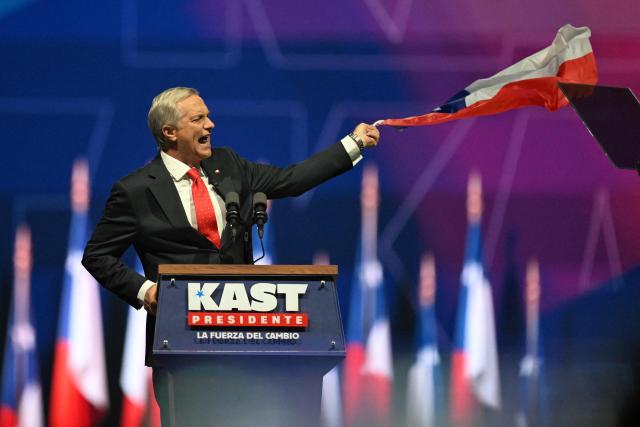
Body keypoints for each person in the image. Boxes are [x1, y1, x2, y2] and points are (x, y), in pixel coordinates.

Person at [81, 86, 380, 422]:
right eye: (198, 119)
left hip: (246, 344)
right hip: (183, 350)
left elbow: (292, 180)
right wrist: (145, 290)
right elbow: (97, 255)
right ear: (170, 132)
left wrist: (352, 144)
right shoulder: (135, 190)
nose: (211, 125)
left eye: (208, 116)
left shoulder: (229, 165)